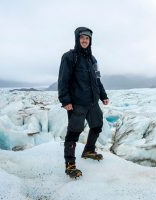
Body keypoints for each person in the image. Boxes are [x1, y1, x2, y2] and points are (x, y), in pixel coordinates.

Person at [58, 27, 109, 178]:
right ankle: (70, 163)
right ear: (77, 39)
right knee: (73, 133)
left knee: (97, 126)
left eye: (87, 38)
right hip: (77, 103)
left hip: (93, 102)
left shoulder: (93, 60)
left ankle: (88, 150)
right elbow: (63, 80)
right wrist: (65, 100)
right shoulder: (69, 57)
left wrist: (103, 95)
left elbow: (97, 80)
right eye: (82, 38)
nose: (85, 40)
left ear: (90, 40)